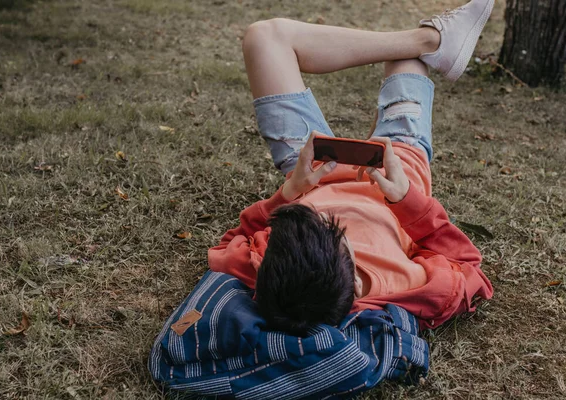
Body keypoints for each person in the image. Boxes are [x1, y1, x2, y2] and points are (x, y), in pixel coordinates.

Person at [208, 0, 494, 335]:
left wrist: (291, 193)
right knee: (407, 61)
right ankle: (429, 43)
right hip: (396, 167)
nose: (329, 217)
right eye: (334, 230)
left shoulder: (270, 271)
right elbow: (469, 266)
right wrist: (405, 198)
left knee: (264, 37)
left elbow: (227, 244)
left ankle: (430, 40)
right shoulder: (407, 284)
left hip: (311, 169)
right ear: (356, 284)